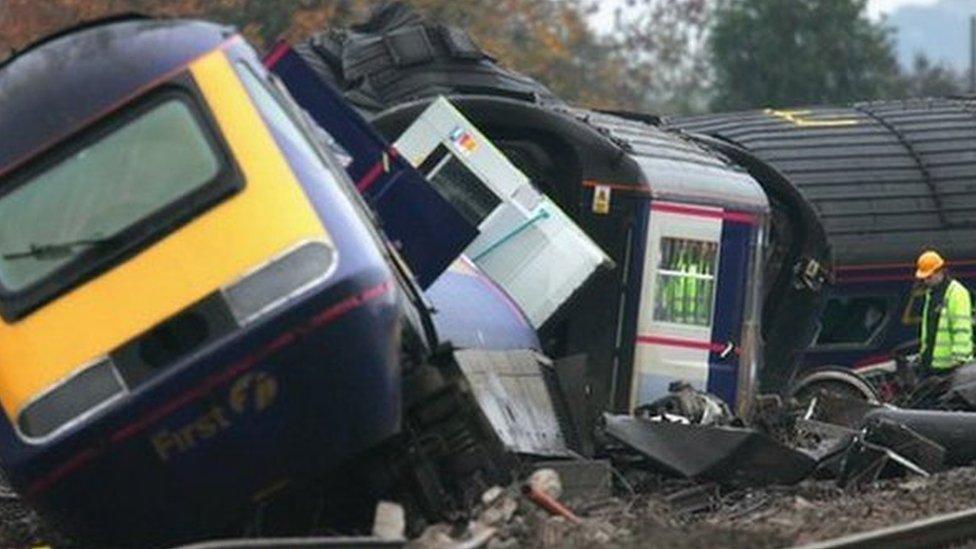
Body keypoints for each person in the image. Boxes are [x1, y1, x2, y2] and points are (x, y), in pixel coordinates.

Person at [916, 250, 973, 374]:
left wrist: (960, 359)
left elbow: (961, 328)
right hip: (931, 363)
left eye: (929, 277)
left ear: (940, 271)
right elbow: (929, 328)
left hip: (950, 367)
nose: (926, 281)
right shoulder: (930, 294)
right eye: (924, 278)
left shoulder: (956, 293)